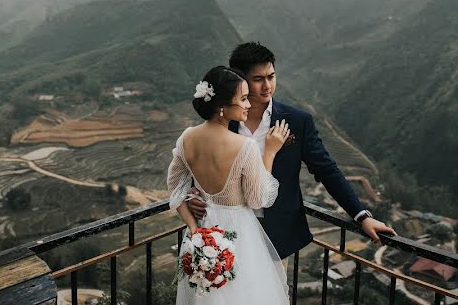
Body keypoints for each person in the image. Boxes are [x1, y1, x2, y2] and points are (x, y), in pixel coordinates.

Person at [187, 42, 395, 259]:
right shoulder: (223, 120)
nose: (267, 85)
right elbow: (202, 163)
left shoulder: (297, 121)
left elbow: (326, 170)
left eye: (271, 76)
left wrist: (361, 216)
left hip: (276, 234)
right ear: (240, 81)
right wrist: (192, 195)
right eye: (258, 79)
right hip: (226, 231)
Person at [168, 65, 291, 303]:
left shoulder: (187, 138)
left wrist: (194, 229)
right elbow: (259, 199)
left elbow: (174, 190)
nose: (248, 104)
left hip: (203, 233)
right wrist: (270, 153)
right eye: (243, 99)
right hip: (240, 236)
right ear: (222, 106)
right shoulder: (244, 146)